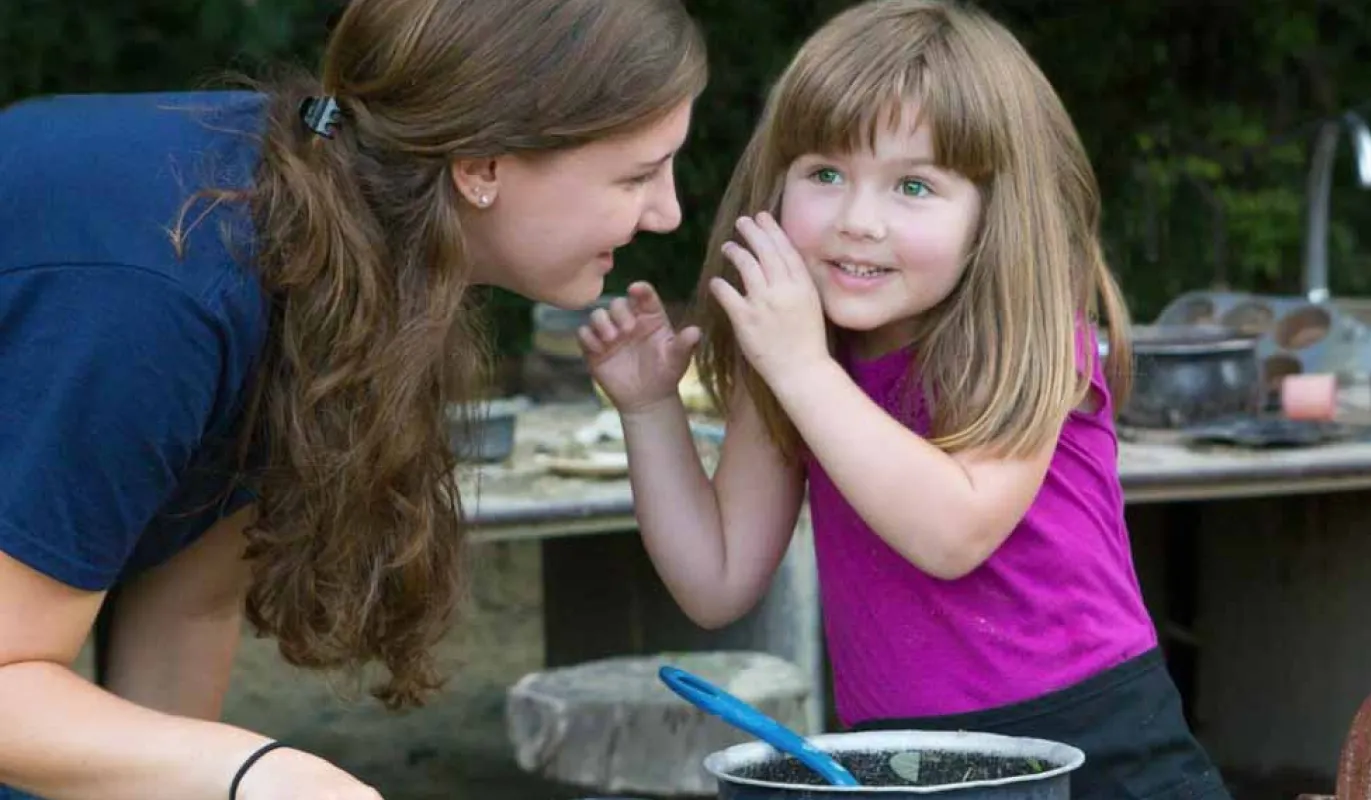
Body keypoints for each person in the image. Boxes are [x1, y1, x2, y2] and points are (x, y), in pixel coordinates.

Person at [0, 0, 704, 797]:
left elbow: (187, 600)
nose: (668, 211)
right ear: (481, 167)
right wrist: (262, 775)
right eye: (638, 175)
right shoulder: (166, 288)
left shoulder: (322, 253)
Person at [579, 0, 1229, 796]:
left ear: (995, 214)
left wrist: (802, 370)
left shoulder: (1031, 342)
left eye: (913, 186)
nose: (858, 221)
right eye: (824, 174)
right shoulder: (794, 360)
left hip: (1095, 750)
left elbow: (953, 532)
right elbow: (716, 581)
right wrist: (650, 412)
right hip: (896, 760)